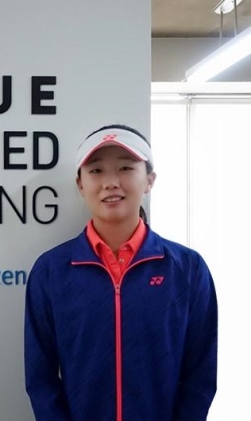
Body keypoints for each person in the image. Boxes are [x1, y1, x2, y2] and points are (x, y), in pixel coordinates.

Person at [24, 124, 217, 421]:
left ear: (149, 180)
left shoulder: (187, 269)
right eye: (96, 170)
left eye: (126, 168)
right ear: (80, 185)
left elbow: (200, 374)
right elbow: (41, 378)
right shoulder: (51, 271)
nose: (111, 182)